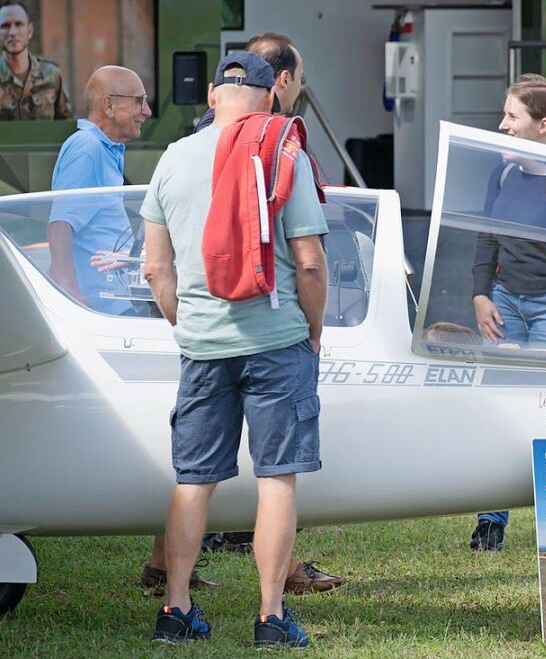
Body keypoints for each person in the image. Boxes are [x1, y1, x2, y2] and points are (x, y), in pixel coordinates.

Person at [140, 32, 342, 597]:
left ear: (211, 97)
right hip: (277, 340)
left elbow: (156, 270)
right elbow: (309, 264)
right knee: (276, 481)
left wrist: (191, 325)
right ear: (268, 98)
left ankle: (176, 605)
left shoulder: (172, 158)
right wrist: (314, 329)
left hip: (203, 345)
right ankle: (271, 615)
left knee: (193, 482)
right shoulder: (283, 150)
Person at [470, 73, 546, 551]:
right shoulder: (501, 173)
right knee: (500, 408)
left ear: (543, 125)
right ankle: (490, 521)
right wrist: (481, 295)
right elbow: (485, 234)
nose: (502, 126)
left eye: (511, 117)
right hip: (505, 303)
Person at [48, 66, 151, 315]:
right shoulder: (87, 147)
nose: (146, 112)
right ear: (109, 105)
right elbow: (59, 226)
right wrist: (73, 295)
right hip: (98, 305)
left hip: (115, 298)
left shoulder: (107, 148)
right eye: (139, 101)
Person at [0, 0, 71, 120]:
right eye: (5, 26)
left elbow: (65, 122)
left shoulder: (52, 74)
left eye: (19, 24)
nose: (12, 32)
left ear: (30, 30)